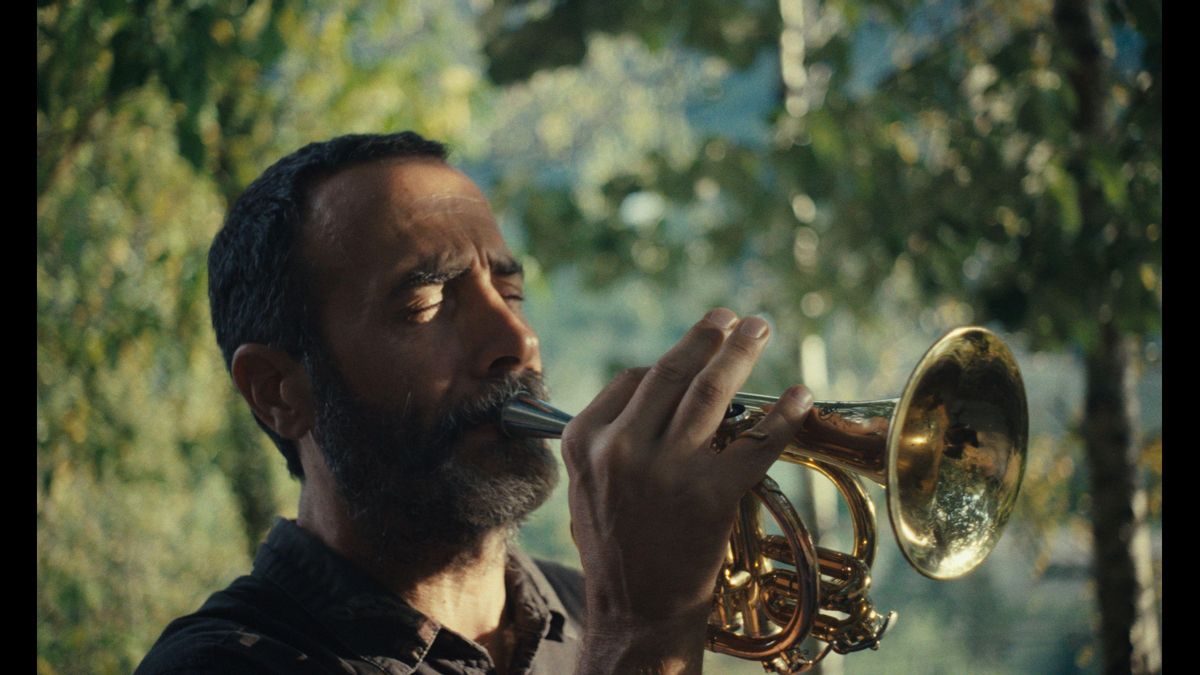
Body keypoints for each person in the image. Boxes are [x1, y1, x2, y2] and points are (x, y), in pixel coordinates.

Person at [135, 131, 815, 675]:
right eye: (425, 305)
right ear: (278, 391)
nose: (516, 340)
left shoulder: (586, 608)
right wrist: (644, 632)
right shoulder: (221, 661)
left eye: (511, 294)